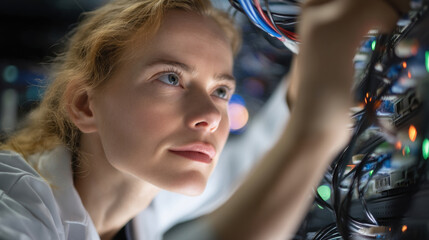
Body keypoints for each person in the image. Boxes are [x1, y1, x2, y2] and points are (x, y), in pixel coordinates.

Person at [0, 0, 407, 239]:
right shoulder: (14, 205)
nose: (211, 116)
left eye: (221, 91)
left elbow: (248, 163)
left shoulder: (142, 195)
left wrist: (319, 42)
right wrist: (315, 134)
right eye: (171, 78)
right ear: (86, 106)